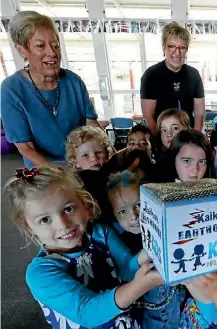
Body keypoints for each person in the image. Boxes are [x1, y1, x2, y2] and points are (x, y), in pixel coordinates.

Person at [3, 165, 163, 329]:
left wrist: (152, 250)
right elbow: (87, 312)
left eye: (68, 209)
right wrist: (142, 284)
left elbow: (127, 270)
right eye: (45, 220)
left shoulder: (101, 234)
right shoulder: (41, 273)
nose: (62, 224)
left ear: (86, 206)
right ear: (29, 227)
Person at [1, 11, 101, 168]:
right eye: (40, 46)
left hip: (81, 163)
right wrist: (60, 174)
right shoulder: (11, 90)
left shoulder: (73, 81)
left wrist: (111, 155)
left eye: (55, 45)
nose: (52, 53)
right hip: (43, 170)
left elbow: (92, 125)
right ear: (21, 50)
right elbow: (25, 148)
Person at [140, 22, 205, 135]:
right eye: (171, 47)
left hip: (187, 136)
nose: (177, 52)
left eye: (182, 47)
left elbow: (199, 114)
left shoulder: (193, 74)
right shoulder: (151, 75)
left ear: (186, 50)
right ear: (164, 47)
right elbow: (148, 116)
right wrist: (162, 141)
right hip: (162, 137)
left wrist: (195, 139)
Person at [107, 170, 142, 254]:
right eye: (122, 211)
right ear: (114, 215)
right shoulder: (116, 242)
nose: (133, 216)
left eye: (139, 205)